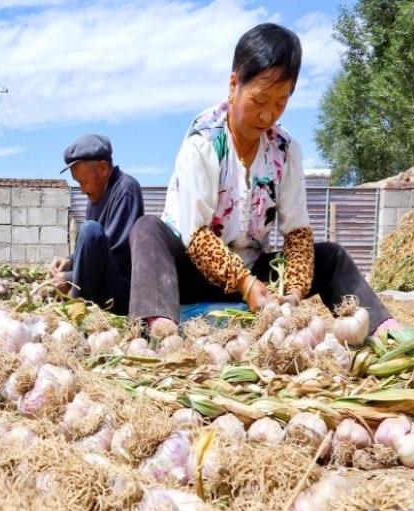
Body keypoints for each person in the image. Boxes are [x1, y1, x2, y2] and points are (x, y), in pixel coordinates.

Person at [127, 23, 399, 338]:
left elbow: (297, 233)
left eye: (280, 102)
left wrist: (293, 292)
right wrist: (244, 284)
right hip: (192, 273)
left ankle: (382, 329)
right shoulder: (204, 142)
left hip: (254, 276)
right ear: (234, 85)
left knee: (331, 256)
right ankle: (158, 327)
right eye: (259, 100)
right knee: (146, 228)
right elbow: (197, 237)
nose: (267, 115)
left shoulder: (284, 151)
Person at [50, 134, 144, 315]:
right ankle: (79, 308)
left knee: (89, 229)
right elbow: (92, 249)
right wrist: (69, 261)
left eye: (83, 182)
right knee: (89, 230)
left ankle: (79, 313)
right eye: (78, 183)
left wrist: (70, 279)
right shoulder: (96, 196)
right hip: (99, 288)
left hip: (121, 294)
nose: (83, 189)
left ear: (103, 168)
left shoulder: (126, 190)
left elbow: (115, 256)